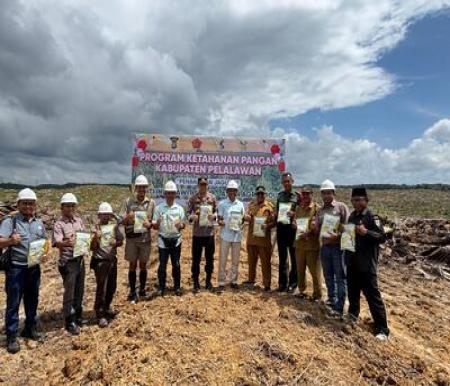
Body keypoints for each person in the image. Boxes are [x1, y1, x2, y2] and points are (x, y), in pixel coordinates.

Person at [0, 188, 48, 354]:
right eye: (25, 203)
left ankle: (30, 328)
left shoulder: (39, 223)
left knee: (32, 299)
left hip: (34, 268)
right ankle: (12, 335)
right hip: (16, 268)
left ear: (35, 205)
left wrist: (44, 253)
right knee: (13, 302)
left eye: (31, 203)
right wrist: (10, 241)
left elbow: (44, 242)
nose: (28, 206)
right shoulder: (10, 222)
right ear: (19, 204)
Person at [346, 187, 390, 340]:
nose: (357, 202)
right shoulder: (351, 216)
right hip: (352, 263)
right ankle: (352, 315)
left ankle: (382, 329)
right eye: (354, 200)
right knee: (352, 292)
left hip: (367, 265)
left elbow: (383, 237)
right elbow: (348, 238)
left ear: (366, 200)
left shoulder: (372, 217)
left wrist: (366, 232)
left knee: (373, 296)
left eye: (360, 199)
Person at [52, 193, 87, 335]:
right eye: (67, 206)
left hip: (80, 260)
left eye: (72, 205)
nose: (70, 208)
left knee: (80, 289)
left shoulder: (79, 221)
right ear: (62, 207)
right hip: (68, 262)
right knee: (69, 292)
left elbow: (85, 235)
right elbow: (57, 242)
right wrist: (67, 242)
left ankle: (78, 315)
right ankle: (69, 320)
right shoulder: (59, 224)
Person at [314, 179, 350, 316]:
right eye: (324, 193)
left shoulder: (341, 207)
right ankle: (331, 300)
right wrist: (313, 227)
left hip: (338, 248)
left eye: (329, 193)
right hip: (325, 248)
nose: (326, 196)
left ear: (333, 193)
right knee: (328, 276)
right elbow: (318, 230)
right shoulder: (320, 211)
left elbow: (349, 228)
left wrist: (338, 236)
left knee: (340, 277)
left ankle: (340, 306)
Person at [120, 174, 155, 303]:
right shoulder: (128, 202)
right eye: (139, 187)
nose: (141, 190)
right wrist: (128, 217)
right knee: (132, 265)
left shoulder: (151, 203)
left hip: (145, 239)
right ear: (135, 188)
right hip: (132, 240)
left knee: (143, 265)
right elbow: (120, 221)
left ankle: (142, 290)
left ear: (146, 189)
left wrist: (150, 224)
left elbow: (154, 222)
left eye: (144, 187)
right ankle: (132, 291)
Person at [90, 202, 124, 328]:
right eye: (103, 214)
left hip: (112, 260)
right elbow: (91, 247)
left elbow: (121, 241)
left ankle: (107, 307)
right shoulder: (95, 228)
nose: (105, 216)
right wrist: (95, 238)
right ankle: (100, 314)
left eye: (108, 214)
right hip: (100, 261)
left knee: (112, 286)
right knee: (101, 288)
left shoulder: (114, 227)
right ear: (99, 215)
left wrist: (116, 243)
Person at [152, 181, 186, 296]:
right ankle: (161, 287)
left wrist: (180, 225)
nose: (170, 195)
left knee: (176, 264)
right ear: (165, 194)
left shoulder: (180, 209)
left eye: (172, 193)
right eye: (168, 193)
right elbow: (155, 227)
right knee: (162, 265)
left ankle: (177, 287)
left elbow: (184, 225)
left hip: (176, 240)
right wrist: (157, 222)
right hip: (163, 240)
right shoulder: (159, 208)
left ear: (175, 194)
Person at [187, 176, 217, 293]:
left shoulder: (212, 198)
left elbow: (216, 212)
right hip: (198, 234)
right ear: (198, 185)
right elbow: (188, 213)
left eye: (205, 184)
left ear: (207, 185)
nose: (203, 186)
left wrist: (214, 216)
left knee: (209, 259)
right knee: (196, 259)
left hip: (209, 233)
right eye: (201, 184)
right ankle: (195, 282)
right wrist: (191, 217)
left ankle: (208, 281)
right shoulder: (193, 198)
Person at [243, 186, 275, 291]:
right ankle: (251, 279)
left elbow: (274, 222)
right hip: (252, 239)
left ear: (265, 194)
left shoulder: (270, 207)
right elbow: (247, 216)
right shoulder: (252, 205)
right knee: (251, 262)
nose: (260, 196)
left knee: (265, 263)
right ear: (256, 195)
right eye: (258, 194)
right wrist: (246, 217)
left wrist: (268, 226)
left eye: (262, 194)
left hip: (264, 241)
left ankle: (267, 284)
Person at [293, 185, 322, 301]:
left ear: (312, 194)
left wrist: (310, 232)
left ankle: (317, 295)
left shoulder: (317, 209)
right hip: (299, 244)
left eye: (307, 194)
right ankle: (302, 290)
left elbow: (319, 228)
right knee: (300, 270)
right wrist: (294, 224)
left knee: (314, 272)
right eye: (303, 194)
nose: (305, 196)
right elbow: (295, 222)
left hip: (312, 246)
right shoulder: (298, 209)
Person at [217, 180, 245, 291]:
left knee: (235, 260)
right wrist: (221, 222)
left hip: (237, 236)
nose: (232, 192)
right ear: (227, 191)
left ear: (236, 192)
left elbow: (242, 220)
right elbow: (219, 220)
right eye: (230, 190)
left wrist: (243, 220)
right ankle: (221, 281)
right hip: (225, 235)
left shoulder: (240, 204)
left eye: (234, 190)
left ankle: (233, 280)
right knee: (223, 259)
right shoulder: (222, 204)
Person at [275, 172, 300, 292]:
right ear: (282, 183)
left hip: (292, 230)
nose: (286, 183)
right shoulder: (279, 196)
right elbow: (277, 210)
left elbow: (302, 212)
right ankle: (282, 284)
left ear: (292, 181)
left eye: (288, 181)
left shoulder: (298, 196)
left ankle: (293, 284)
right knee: (282, 258)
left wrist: (294, 214)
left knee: (294, 257)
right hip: (281, 228)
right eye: (284, 181)